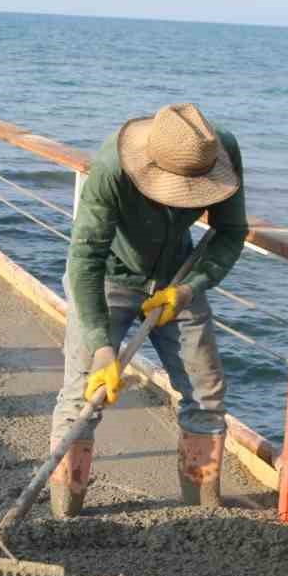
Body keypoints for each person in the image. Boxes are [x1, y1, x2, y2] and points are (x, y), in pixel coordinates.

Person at [50, 102, 249, 515]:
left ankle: (203, 516)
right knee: (83, 398)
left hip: (177, 279)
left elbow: (231, 233)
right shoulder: (112, 168)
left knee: (207, 395)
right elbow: (84, 259)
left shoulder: (219, 152)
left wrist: (190, 289)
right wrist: (103, 348)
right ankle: (63, 516)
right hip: (108, 277)